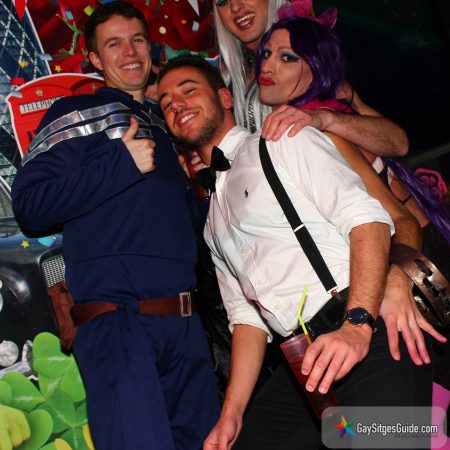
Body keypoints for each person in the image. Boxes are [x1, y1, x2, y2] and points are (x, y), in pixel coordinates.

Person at [158, 55, 433, 450]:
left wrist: (357, 324)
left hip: (365, 326)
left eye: (188, 90)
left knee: (389, 439)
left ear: (224, 97)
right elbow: (247, 320)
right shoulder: (213, 222)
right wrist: (232, 412)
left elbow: (368, 222)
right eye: (166, 103)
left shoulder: (284, 140)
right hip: (303, 360)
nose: (177, 104)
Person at [11, 3, 219, 450]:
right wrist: (120, 163)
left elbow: (186, 232)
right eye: (114, 44)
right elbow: (30, 207)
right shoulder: (75, 112)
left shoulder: (168, 124)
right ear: (94, 58)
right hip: (119, 323)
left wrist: (209, 192)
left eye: (137, 40)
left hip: (186, 328)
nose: (129, 52)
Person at [213, 0, 409, 159]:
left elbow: (398, 143)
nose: (235, 6)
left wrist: (325, 118)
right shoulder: (224, 82)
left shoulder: (310, 67)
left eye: (286, 57)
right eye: (222, 1)